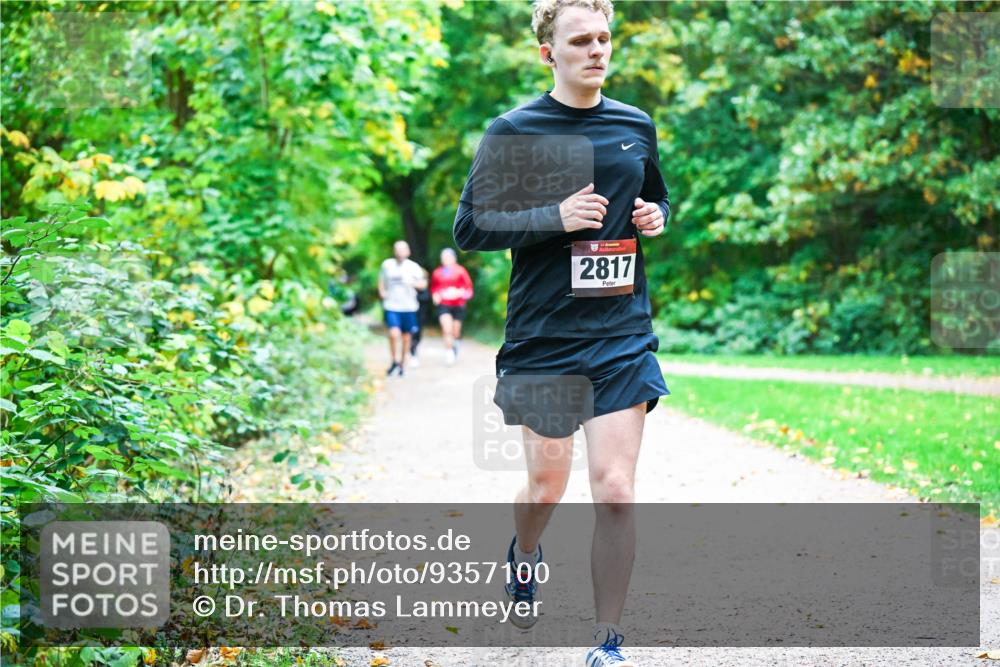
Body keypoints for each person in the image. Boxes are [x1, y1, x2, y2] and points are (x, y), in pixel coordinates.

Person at [453, 1, 669, 665]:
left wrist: (655, 214)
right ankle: (524, 552)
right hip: (545, 339)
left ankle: (608, 640)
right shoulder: (515, 130)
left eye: (604, 38)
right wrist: (556, 215)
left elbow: (658, 194)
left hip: (621, 333)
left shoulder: (636, 124)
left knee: (616, 487)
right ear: (548, 52)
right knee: (547, 488)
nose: (597, 50)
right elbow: (471, 228)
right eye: (581, 41)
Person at [378, 241, 427, 377]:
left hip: (409, 307)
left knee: (406, 338)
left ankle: (402, 364)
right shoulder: (387, 265)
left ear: (408, 251)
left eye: (403, 249)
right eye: (397, 249)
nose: (400, 252)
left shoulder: (413, 267)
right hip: (392, 306)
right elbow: (381, 281)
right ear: (394, 251)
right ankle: (394, 360)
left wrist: (413, 283)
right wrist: (382, 291)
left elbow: (423, 284)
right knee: (393, 334)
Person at [430, 248, 474, 365]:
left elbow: (469, 290)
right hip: (444, 304)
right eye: (443, 257)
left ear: (454, 258)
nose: (445, 259)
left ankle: (456, 344)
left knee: (455, 331)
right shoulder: (437, 272)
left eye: (448, 257)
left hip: (458, 305)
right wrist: (435, 296)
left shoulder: (461, 271)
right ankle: (449, 353)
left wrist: (460, 293)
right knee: (446, 328)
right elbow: (434, 288)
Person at [409, 269, 432, 368]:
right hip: (409, 314)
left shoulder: (425, 291)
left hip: (420, 316)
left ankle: (413, 351)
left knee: (417, 336)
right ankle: (412, 354)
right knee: (410, 335)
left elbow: (426, 299)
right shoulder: (409, 289)